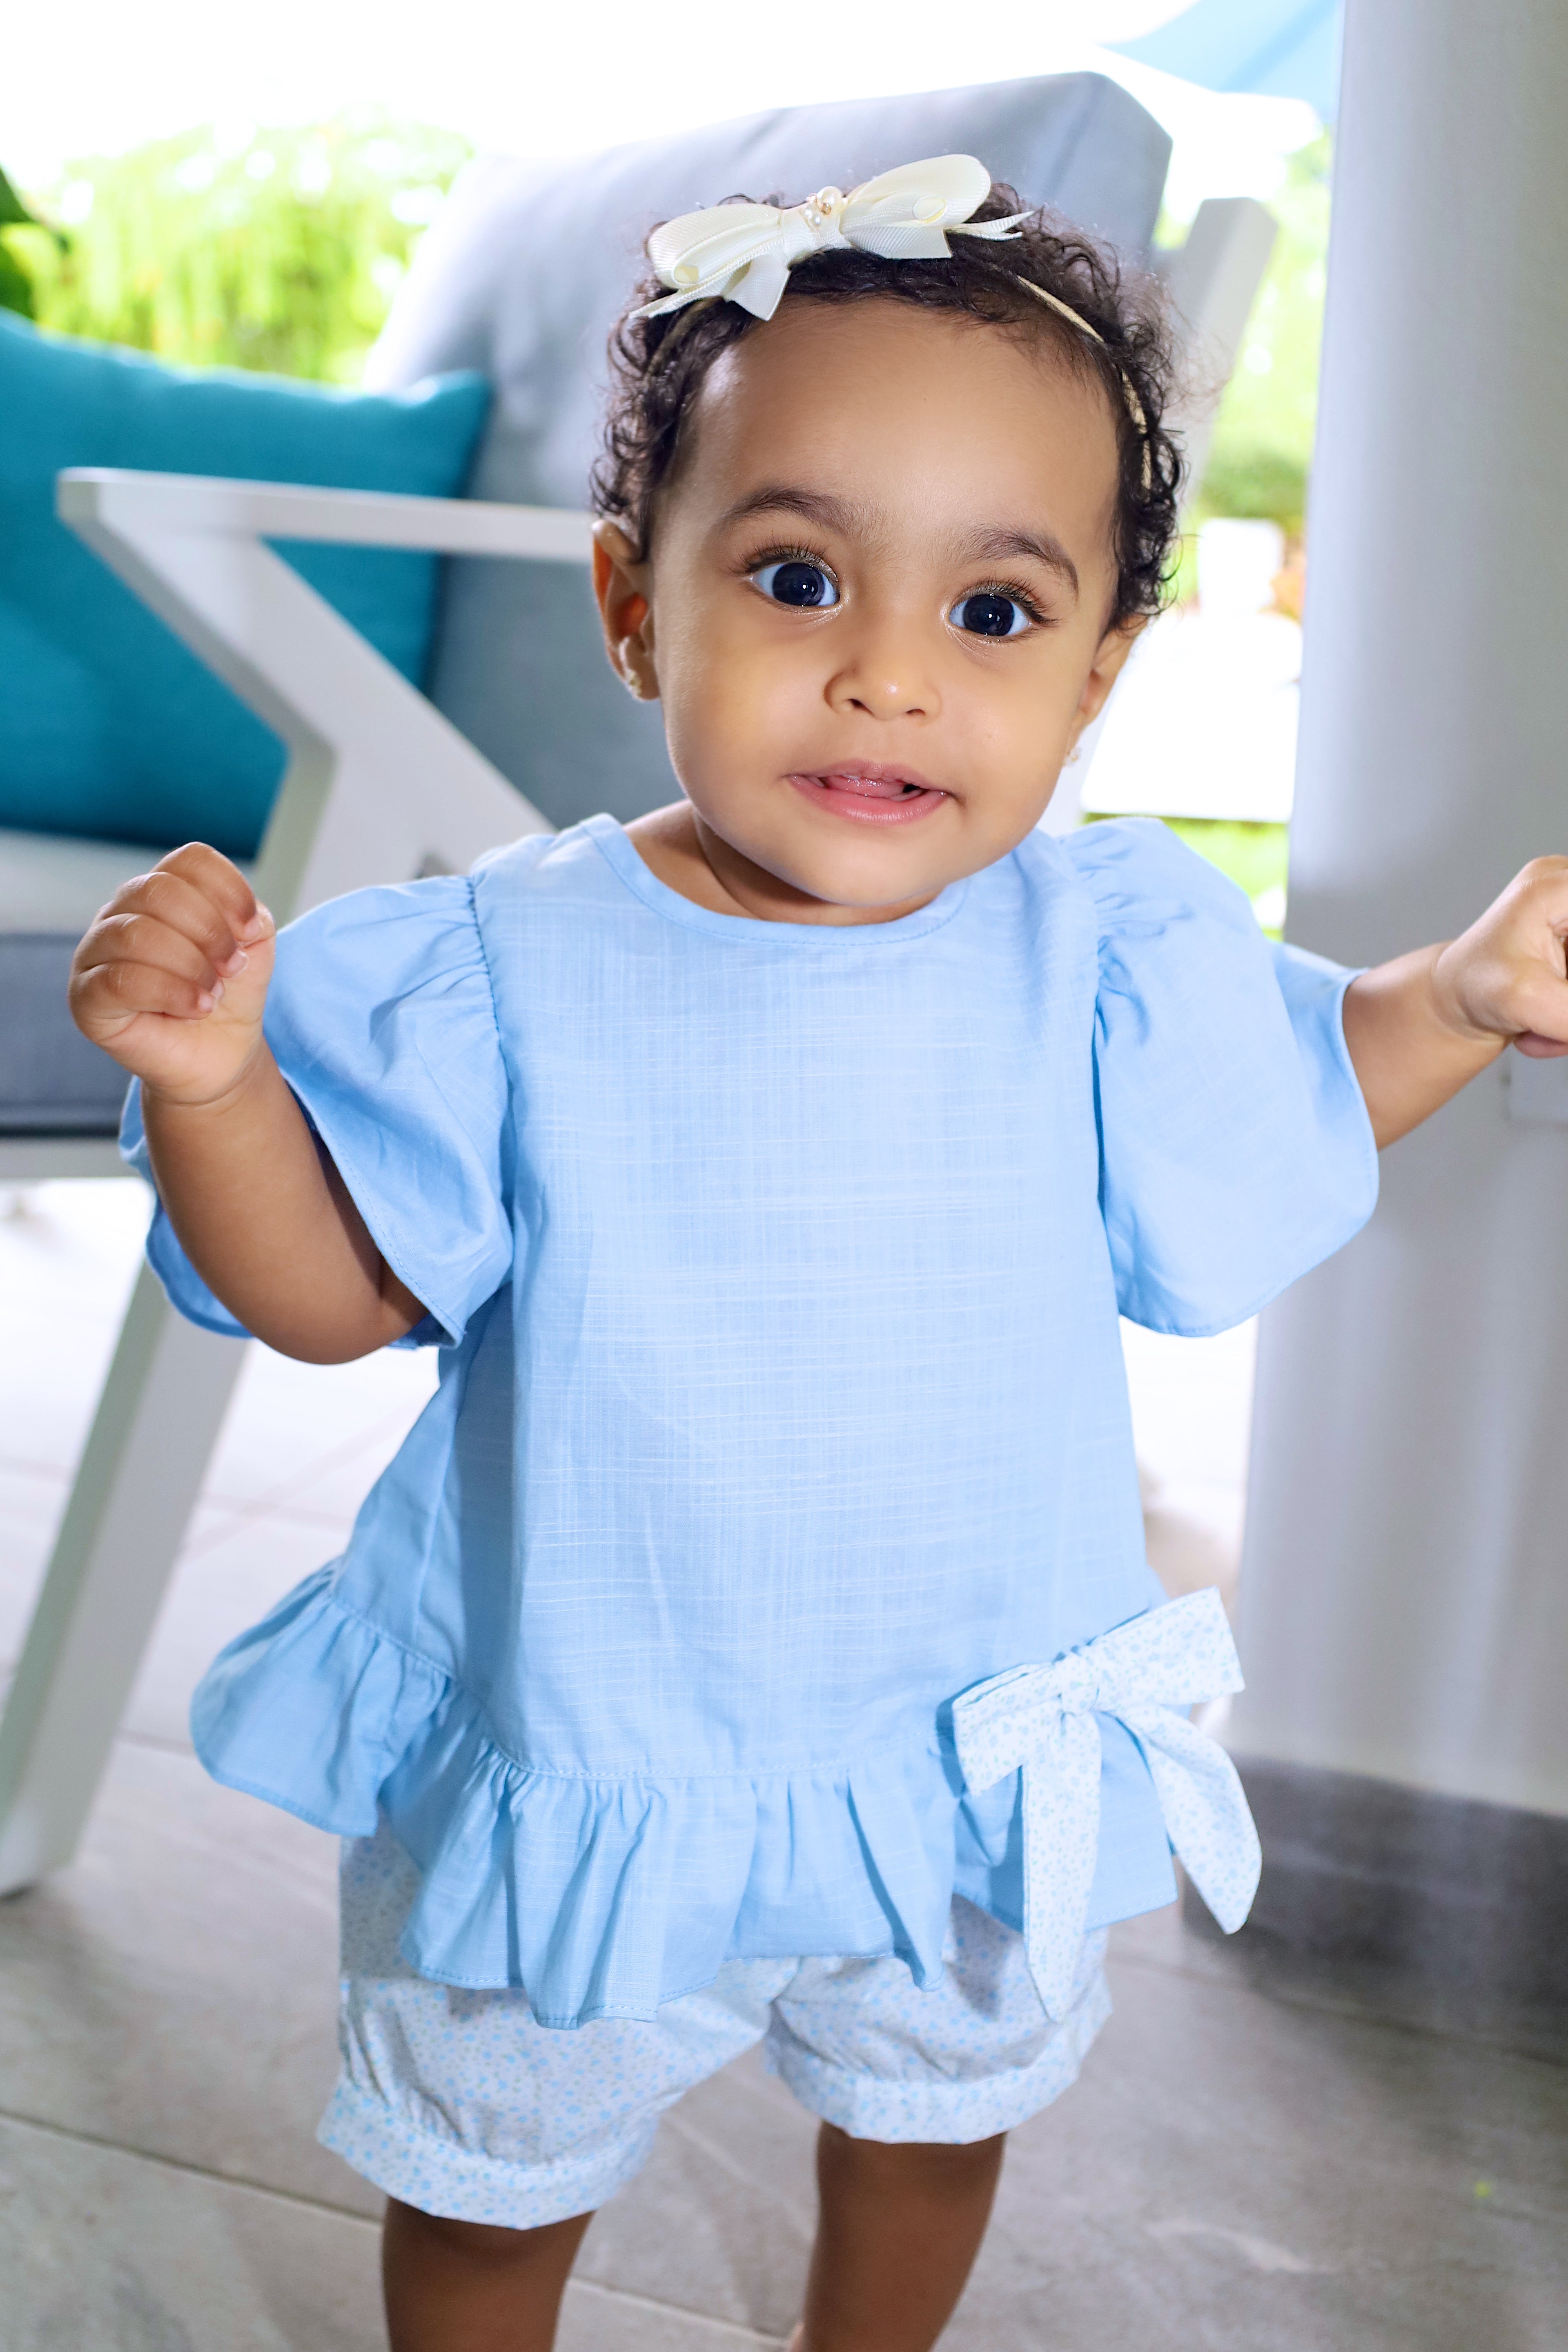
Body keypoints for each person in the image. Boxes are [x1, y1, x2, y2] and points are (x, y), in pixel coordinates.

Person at [69, 157, 1568, 2352]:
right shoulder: (506, 968)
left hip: (963, 1731)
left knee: (931, 2117)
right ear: (632, 602)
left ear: (1099, 671)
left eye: (992, 613)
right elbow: (327, 1296)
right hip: (607, 1729)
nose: (885, 678)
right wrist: (216, 1087)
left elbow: (1274, 1139)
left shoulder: (1105, 949)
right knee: (500, 2172)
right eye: (793, 577)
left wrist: (1448, 1000)